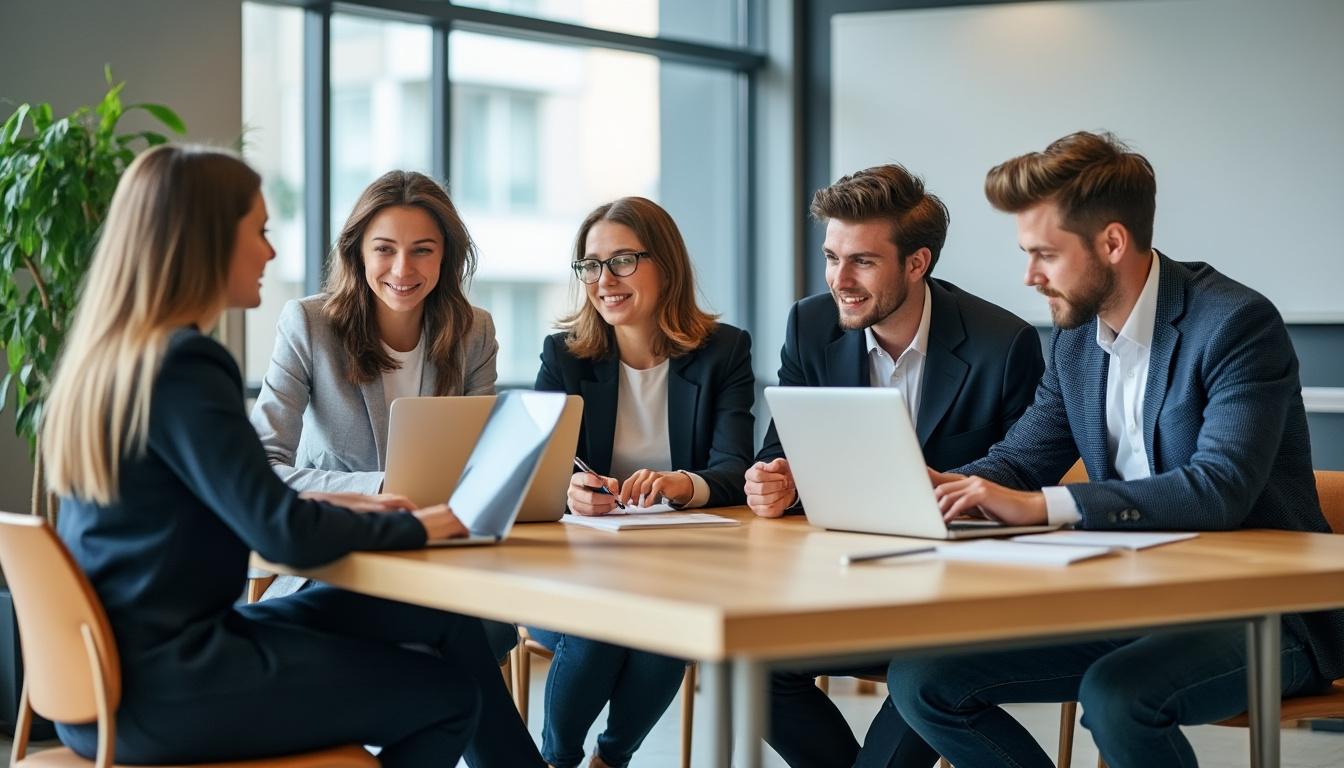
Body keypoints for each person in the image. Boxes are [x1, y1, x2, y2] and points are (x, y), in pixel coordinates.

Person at [42, 145, 542, 767]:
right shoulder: (185, 366)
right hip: (166, 684)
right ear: (204, 241)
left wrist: (353, 500)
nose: (271, 253)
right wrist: (411, 522)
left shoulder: (122, 359)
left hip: (127, 670)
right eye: (259, 231)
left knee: (438, 617)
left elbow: (247, 498)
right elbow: (281, 531)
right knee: (447, 699)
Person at [881, 131, 1344, 768]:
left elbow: (1218, 489)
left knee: (1118, 695)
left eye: (1045, 253)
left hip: (1263, 614)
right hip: (1132, 601)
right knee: (923, 679)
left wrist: (1044, 507)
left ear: (1112, 243)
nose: (1029, 276)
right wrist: (926, 491)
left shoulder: (1235, 324)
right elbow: (1019, 460)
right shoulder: (1076, 339)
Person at [744, 164, 1044, 767]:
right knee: (754, 664)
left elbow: (1024, 479)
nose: (840, 280)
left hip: (955, 603)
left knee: (922, 675)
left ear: (917, 262)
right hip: (845, 584)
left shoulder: (1001, 343)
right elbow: (782, 447)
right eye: (832, 258)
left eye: (862, 261)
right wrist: (774, 481)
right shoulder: (810, 325)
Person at [248, 170, 515, 658]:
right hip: (338, 560)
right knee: (436, 636)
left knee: (488, 629)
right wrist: (380, 489)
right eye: (385, 249)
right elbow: (262, 468)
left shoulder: (474, 332)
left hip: (441, 556)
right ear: (358, 253)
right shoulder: (309, 326)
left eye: (423, 250)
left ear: (446, 256)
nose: (402, 268)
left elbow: (487, 460)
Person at [530, 196, 755, 768]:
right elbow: (533, 470)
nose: (605, 280)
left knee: (663, 627)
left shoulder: (723, 352)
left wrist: (684, 484)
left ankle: (611, 759)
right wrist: (567, 491)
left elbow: (735, 467)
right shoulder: (565, 357)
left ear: (666, 266)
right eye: (592, 265)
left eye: (623, 261)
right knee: (600, 626)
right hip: (574, 568)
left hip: (675, 563)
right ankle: (556, 761)